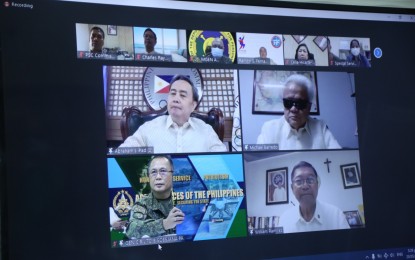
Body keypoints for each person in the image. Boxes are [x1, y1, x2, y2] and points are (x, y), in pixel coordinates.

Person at [119, 75, 227, 153]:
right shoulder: (149, 128)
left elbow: (223, 162)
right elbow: (122, 154)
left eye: (183, 95)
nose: (176, 99)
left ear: (193, 105)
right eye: (173, 93)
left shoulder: (206, 130)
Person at [256, 74, 341, 149]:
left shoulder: (320, 128)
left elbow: (338, 156)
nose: (293, 109)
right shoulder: (269, 129)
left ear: (309, 107)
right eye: (288, 102)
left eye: (300, 103)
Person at [279, 161, 350, 233]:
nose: (305, 186)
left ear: (317, 184)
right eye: (299, 181)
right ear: (292, 188)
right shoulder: (284, 219)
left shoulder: (337, 216)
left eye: (310, 180)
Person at [126, 155, 185, 239]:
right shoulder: (142, 204)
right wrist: (164, 224)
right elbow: (131, 230)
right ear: (148, 177)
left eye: (163, 171)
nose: (158, 177)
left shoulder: (184, 200)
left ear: (172, 174)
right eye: (153, 172)